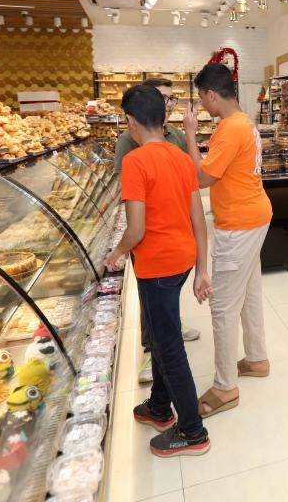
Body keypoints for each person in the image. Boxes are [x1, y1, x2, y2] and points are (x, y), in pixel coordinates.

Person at [104, 84, 212, 457]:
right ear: (163, 117)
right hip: (182, 260)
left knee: (168, 348)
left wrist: (116, 253)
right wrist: (202, 268)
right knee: (165, 331)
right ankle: (159, 407)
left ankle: (193, 431)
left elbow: (135, 230)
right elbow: (198, 217)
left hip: (157, 267)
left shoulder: (135, 162)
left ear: (131, 121)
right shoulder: (181, 157)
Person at [183, 63, 273, 418]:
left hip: (238, 224)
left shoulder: (229, 128)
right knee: (249, 292)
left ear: (212, 95)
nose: (202, 106)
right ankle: (257, 358)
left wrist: (190, 136)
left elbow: (202, 177)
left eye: (202, 98)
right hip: (255, 215)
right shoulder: (244, 121)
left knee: (222, 306)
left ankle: (225, 387)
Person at [113, 78, 199, 388]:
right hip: (154, 240)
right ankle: (152, 355)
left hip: (169, 240)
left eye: (172, 99)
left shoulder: (174, 137)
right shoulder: (129, 142)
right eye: (163, 98)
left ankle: (180, 413)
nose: (168, 104)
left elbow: (191, 181)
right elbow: (127, 188)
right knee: (154, 306)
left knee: (164, 307)